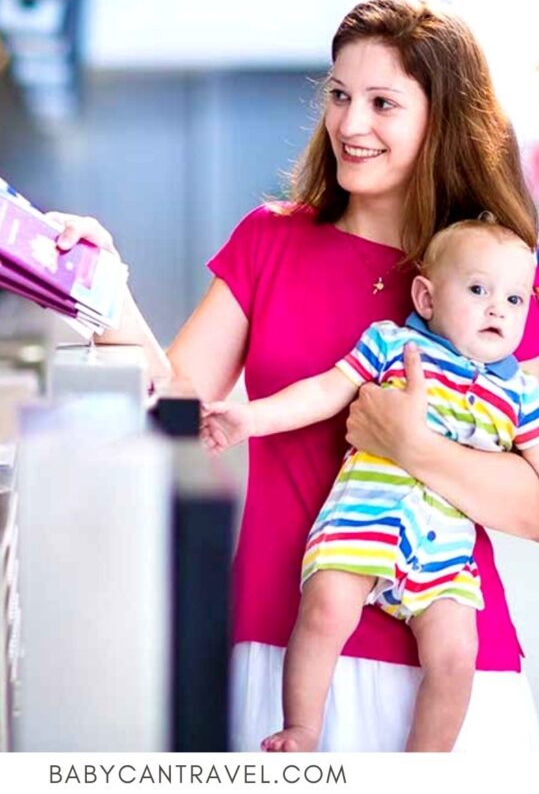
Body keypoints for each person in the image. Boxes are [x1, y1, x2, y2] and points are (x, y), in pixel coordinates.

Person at [51, 0, 539, 752]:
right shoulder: (269, 242)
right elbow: (175, 402)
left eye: (383, 103)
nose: (350, 124)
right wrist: (100, 287)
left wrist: (411, 446)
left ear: (440, 120)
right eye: (340, 96)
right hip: (286, 662)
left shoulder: (495, 290)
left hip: (449, 674)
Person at [200, 218, 539, 752]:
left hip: (445, 559)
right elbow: (325, 391)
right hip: (362, 524)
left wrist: (417, 445)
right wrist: (251, 418)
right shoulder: (392, 344)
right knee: (324, 611)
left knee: (455, 658)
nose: (498, 308)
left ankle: (421, 768)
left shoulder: (520, 392)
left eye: (516, 299)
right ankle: (302, 728)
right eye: (477, 291)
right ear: (426, 297)